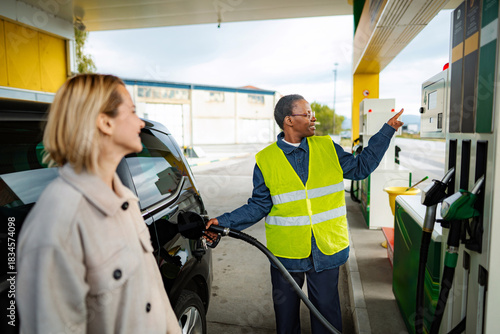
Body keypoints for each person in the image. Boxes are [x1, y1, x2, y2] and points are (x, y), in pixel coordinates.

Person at [206, 94, 404, 334]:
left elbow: (361, 168)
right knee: (286, 318)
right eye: (307, 113)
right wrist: (224, 222)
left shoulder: (327, 147)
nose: (314, 118)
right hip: (286, 255)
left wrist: (387, 132)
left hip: (326, 249)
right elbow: (258, 205)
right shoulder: (266, 160)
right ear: (289, 120)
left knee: (326, 316)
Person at [17, 74, 181, 334]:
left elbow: (155, 295)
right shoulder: (57, 220)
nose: (140, 122)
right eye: (132, 111)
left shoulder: (126, 200)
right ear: (105, 122)